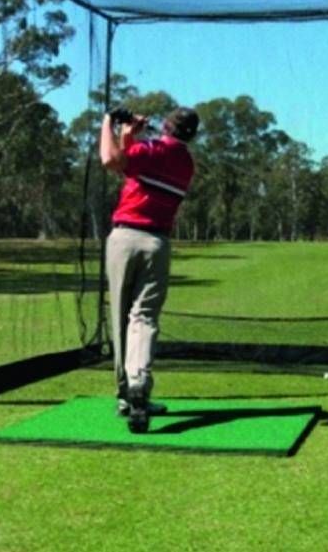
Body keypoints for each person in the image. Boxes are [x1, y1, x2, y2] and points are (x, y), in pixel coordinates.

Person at [99, 105, 199, 433]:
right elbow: (132, 168)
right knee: (143, 317)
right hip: (157, 243)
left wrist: (109, 123)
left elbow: (111, 160)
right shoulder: (186, 163)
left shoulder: (151, 149)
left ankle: (126, 396)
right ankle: (139, 382)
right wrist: (129, 135)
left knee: (121, 317)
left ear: (166, 127)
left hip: (123, 239)